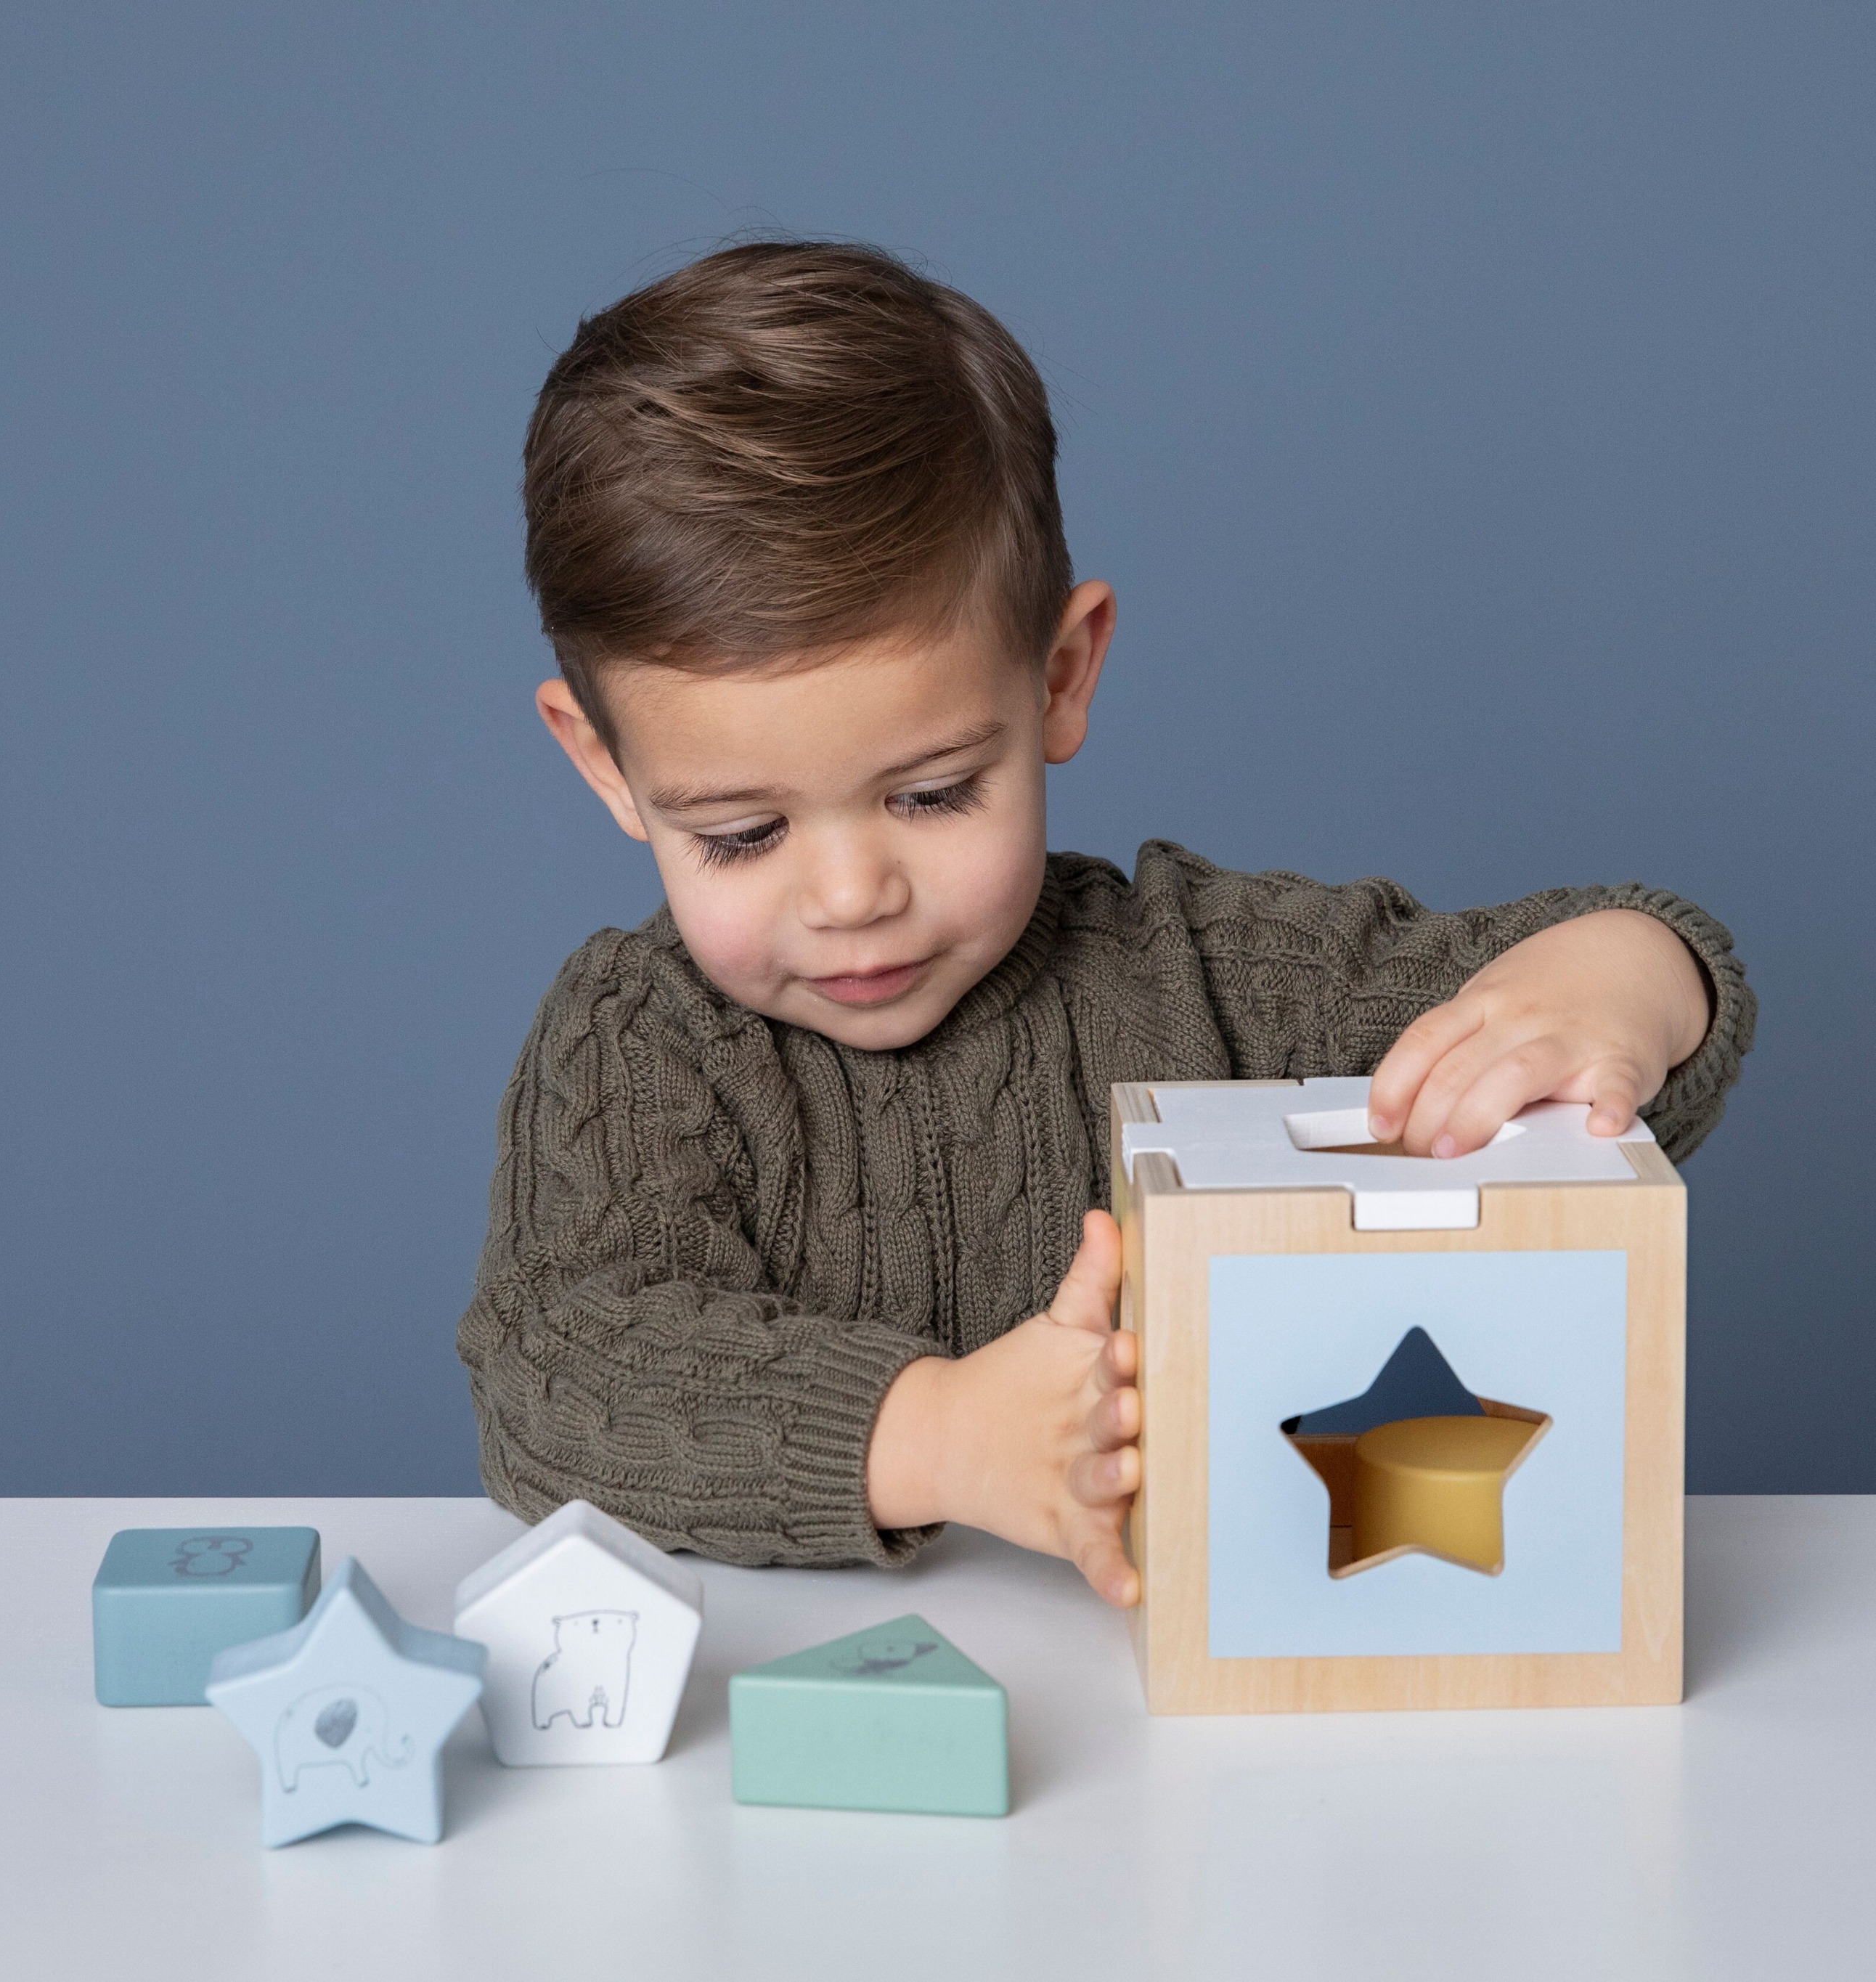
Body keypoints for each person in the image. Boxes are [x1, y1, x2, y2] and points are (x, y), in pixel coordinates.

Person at [458, 242, 1753, 1607]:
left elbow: (1593, 1006)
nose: (849, 898)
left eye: (933, 791)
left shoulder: (1211, 978)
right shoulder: (641, 1044)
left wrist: (1627, 979)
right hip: (777, 1717)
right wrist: (946, 1436)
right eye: (741, 833)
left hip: (1182, 1720)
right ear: (606, 765)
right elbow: (557, 1372)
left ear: (1061, 677)